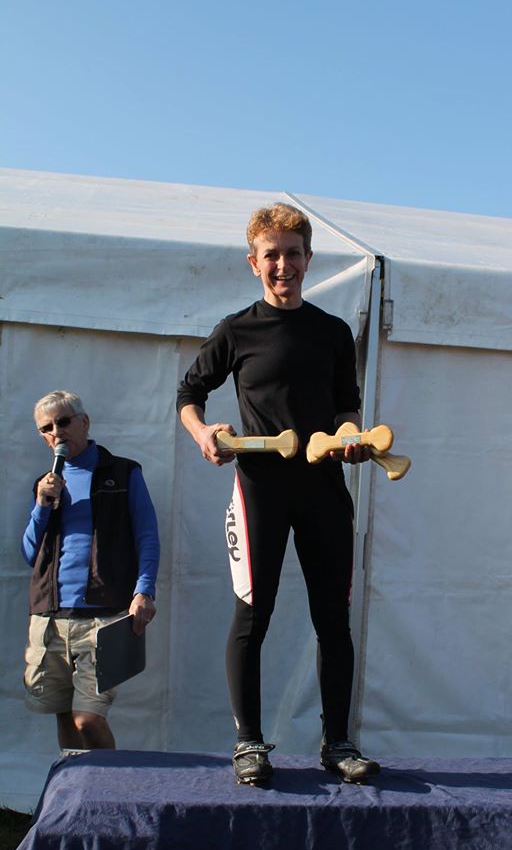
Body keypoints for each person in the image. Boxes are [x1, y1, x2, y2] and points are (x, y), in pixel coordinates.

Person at [177, 202, 380, 785]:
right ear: (254, 262)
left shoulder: (333, 332)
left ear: (309, 259)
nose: (283, 265)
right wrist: (203, 433)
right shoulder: (236, 330)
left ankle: (337, 743)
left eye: (293, 254)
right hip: (259, 490)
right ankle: (248, 743)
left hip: (324, 489)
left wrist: (349, 437)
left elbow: (346, 407)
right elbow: (189, 395)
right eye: (272, 255)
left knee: (333, 619)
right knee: (252, 616)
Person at [22, 390, 160, 750]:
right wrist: (41, 505)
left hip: (103, 617)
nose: (56, 432)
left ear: (84, 422)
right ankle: (74, 781)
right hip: (51, 617)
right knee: (64, 715)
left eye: (63, 421)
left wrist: (144, 590)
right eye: (47, 428)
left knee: (88, 718)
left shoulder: (124, 472)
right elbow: (29, 553)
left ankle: (112, 782)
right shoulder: (46, 483)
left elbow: (147, 535)